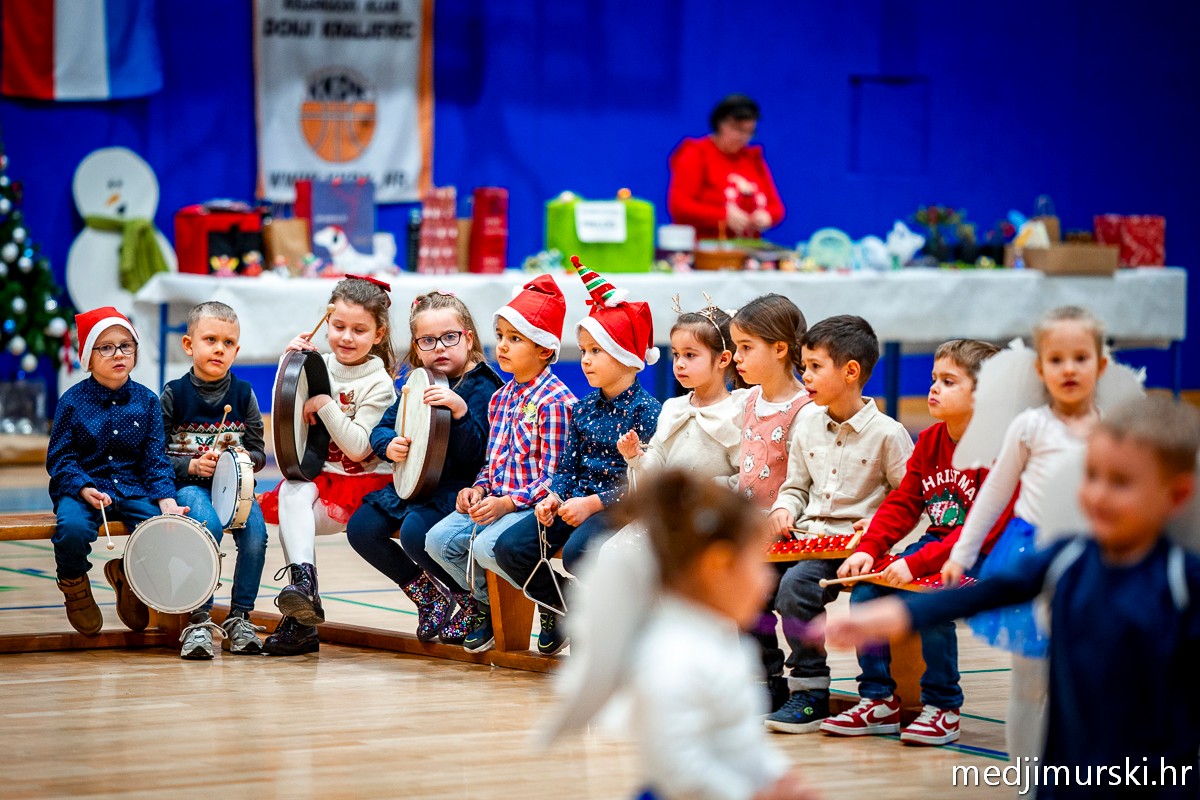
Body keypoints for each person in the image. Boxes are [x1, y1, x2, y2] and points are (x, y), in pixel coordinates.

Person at [822, 395, 1200, 800]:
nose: (1098, 495)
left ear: (1175, 496)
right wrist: (893, 616)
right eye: (1091, 475)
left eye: (1120, 482)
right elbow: (987, 593)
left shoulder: (1182, 583)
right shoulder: (1067, 557)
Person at [540, 470, 819, 800]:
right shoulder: (672, 660)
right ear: (717, 567)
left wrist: (775, 774)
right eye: (757, 563)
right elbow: (677, 766)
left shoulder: (723, 644)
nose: (769, 580)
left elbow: (739, 738)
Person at [940, 306, 1109, 764]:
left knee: (1082, 677)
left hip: (1093, 563)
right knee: (1030, 678)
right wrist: (962, 553)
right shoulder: (1030, 426)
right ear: (1040, 370)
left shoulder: (1114, 429)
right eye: (1056, 359)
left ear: (1102, 365)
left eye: (1080, 358)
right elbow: (993, 494)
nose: (1069, 369)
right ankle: (1024, 780)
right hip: (1030, 559)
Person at [817, 339, 1000, 744]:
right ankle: (878, 699)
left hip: (986, 553)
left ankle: (943, 706)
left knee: (928, 601)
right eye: (935, 378)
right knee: (868, 590)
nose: (933, 388)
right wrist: (869, 550)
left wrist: (916, 565)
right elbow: (903, 504)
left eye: (949, 381)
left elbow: (981, 530)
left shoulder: (996, 449)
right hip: (939, 545)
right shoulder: (932, 440)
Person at [492, 258, 662, 656]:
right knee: (510, 548)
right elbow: (567, 467)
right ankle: (572, 609)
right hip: (575, 503)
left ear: (627, 357)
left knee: (579, 550)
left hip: (619, 508)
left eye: (597, 351)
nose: (585, 360)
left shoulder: (648, 412)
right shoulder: (583, 408)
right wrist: (554, 495)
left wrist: (593, 503)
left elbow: (645, 483)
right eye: (583, 350)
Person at [765, 315, 914, 734]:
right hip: (806, 539)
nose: (804, 375)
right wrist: (784, 509)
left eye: (814, 367)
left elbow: (910, 499)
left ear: (851, 372)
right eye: (804, 365)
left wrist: (878, 525)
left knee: (796, 588)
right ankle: (767, 681)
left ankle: (810, 692)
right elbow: (795, 486)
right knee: (749, 580)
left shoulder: (889, 434)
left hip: (852, 549)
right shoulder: (807, 424)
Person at [424, 275, 575, 653]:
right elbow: (492, 462)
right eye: (500, 335)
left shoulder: (554, 401)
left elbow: (555, 477)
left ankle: (553, 602)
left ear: (544, 350)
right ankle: (487, 603)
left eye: (515, 338)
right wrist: (478, 488)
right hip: (496, 500)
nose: (502, 346)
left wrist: (507, 503)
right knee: (437, 541)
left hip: (528, 506)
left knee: (489, 545)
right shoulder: (501, 398)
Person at [345, 291, 503, 644]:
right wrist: (389, 444)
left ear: (468, 338)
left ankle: (469, 601)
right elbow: (383, 427)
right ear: (417, 347)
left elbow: (479, 455)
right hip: (416, 484)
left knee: (417, 533)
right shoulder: (418, 382)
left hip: (460, 488)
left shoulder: (485, 387)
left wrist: (460, 413)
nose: (440, 348)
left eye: (450, 338)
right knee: (362, 528)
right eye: (428, 341)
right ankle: (427, 596)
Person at [259, 275, 398, 655]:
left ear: (378, 333)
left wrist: (325, 403)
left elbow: (356, 448)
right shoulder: (316, 363)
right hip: (321, 481)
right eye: (338, 327)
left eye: (359, 330)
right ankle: (304, 595)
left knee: (295, 507)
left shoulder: (379, 383)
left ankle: (300, 612)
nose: (346, 338)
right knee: (291, 490)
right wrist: (288, 364)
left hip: (361, 489)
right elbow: (286, 418)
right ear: (326, 323)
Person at [46, 307, 188, 636]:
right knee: (72, 529)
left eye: (126, 345)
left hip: (132, 488)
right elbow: (59, 457)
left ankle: (129, 574)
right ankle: (74, 585)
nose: (118, 354)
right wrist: (82, 487)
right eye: (106, 347)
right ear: (89, 357)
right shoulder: (72, 401)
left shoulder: (147, 401)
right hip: (84, 490)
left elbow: (155, 458)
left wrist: (166, 499)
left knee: (161, 529)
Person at [160, 301, 269, 659]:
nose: (219, 349)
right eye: (210, 339)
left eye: (228, 342)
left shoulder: (244, 394)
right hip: (190, 486)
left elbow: (257, 451)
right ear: (189, 345)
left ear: (237, 350)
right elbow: (154, 455)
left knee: (256, 533)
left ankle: (240, 618)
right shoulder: (175, 394)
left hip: (235, 492)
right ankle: (200, 618)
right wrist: (191, 467)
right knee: (206, 523)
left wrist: (234, 461)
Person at [618, 294, 741, 485]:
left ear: (723, 359)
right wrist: (636, 457)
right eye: (676, 354)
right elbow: (657, 466)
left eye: (690, 355)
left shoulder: (737, 412)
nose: (679, 364)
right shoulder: (672, 407)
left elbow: (746, 477)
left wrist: (707, 492)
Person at [667, 94, 785, 240]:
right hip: (704, 248)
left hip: (746, 247)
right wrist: (722, 216)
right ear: (720, 124)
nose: (744, 137)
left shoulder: (753, 158)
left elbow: (777, 207)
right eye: (738, 130)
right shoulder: (696, 153)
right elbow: (679, 206)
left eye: (750, 132)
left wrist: (767, 216)